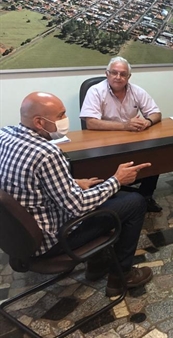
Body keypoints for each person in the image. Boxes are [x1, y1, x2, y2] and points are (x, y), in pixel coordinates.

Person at [0, 92, 154, 297]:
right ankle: (121, 277)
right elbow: (78, 206)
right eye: (61, 115)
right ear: (39, 122)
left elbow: (22, 181)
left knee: (103, 193)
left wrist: (72, 183)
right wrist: (117, 180)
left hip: (18, 235)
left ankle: (97, 264)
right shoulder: (47, 153)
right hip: (52, 240)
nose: (65, 120)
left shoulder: (5, 135)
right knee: (134, 202)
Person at [80, 56, 163, 212]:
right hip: (104, 144)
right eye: (114, 73)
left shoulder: (137, 91)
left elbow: (156, 113)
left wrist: (147, 122)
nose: (118, 77)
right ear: (107, 73)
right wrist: (124, 126)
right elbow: (90, 122)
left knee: (153, 154)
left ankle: (146, 196)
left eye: (123, 74)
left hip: (132, 140)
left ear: (128, 77)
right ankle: (112, 198)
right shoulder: (96, 91)